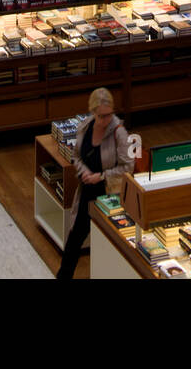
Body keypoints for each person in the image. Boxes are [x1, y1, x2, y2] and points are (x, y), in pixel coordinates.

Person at [56, 88, 133, 279]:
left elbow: (128, 167)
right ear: (92, 112)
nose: (105, 120)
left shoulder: (119, 132)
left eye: (109, 115)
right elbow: (76, 157)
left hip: (110, 195)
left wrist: (101, 175)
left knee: (110, 242)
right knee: (75, 240)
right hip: (87, 192)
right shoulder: (85, 127)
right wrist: (85, 172)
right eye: (101, 116)